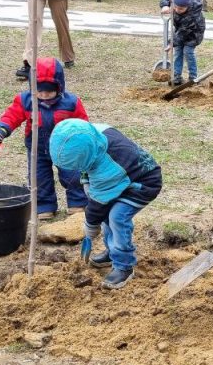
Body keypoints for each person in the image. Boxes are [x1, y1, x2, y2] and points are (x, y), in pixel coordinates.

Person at [50, 119, 163, 290]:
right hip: (123, 176)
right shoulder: (91, 134)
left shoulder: (109, 168)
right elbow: (88, 167)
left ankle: (124, 265)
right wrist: (86, 180)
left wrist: (90, 226)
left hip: (142, 184)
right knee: (106, 214)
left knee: (116, 217)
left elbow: (98, 205)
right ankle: (112, 251)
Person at [0, 58, 88, 220]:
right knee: (39, 178)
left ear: (60, 86)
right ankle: (44, 206)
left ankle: (78, 202)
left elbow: (83, 124)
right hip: (37, 149)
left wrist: (84, 139)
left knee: (73, 176)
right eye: (39, 90)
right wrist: (1, 130)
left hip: (66, 149)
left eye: (49, 91)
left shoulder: (71, 103)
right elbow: (11, 116)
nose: (44, 94)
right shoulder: (26, 101)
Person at [160, 0, 206, 85]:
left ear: (188, 5)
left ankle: (193, 77)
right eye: (175, 7)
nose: (177, 10)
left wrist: (171, 43)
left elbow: (183, 32)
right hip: (180, 30)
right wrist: (165, 5)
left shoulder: (193, 13)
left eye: (181, 8)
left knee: (188, 51)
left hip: (194, 34)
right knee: (178, 52)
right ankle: (177, 76)